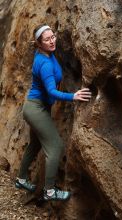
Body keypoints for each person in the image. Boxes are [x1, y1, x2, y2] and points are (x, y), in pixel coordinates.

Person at [15, 24, 92, 201]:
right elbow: (51, 92)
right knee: (56, 146)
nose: (52, 41)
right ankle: (49, 191)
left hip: (36, 107)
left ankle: (21, 179)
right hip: (36, 109)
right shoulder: (44, 64)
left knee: (35, 144)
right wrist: (74, 95)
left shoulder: (46, 54)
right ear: (39, 44)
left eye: (53, 36)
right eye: (47, 39)